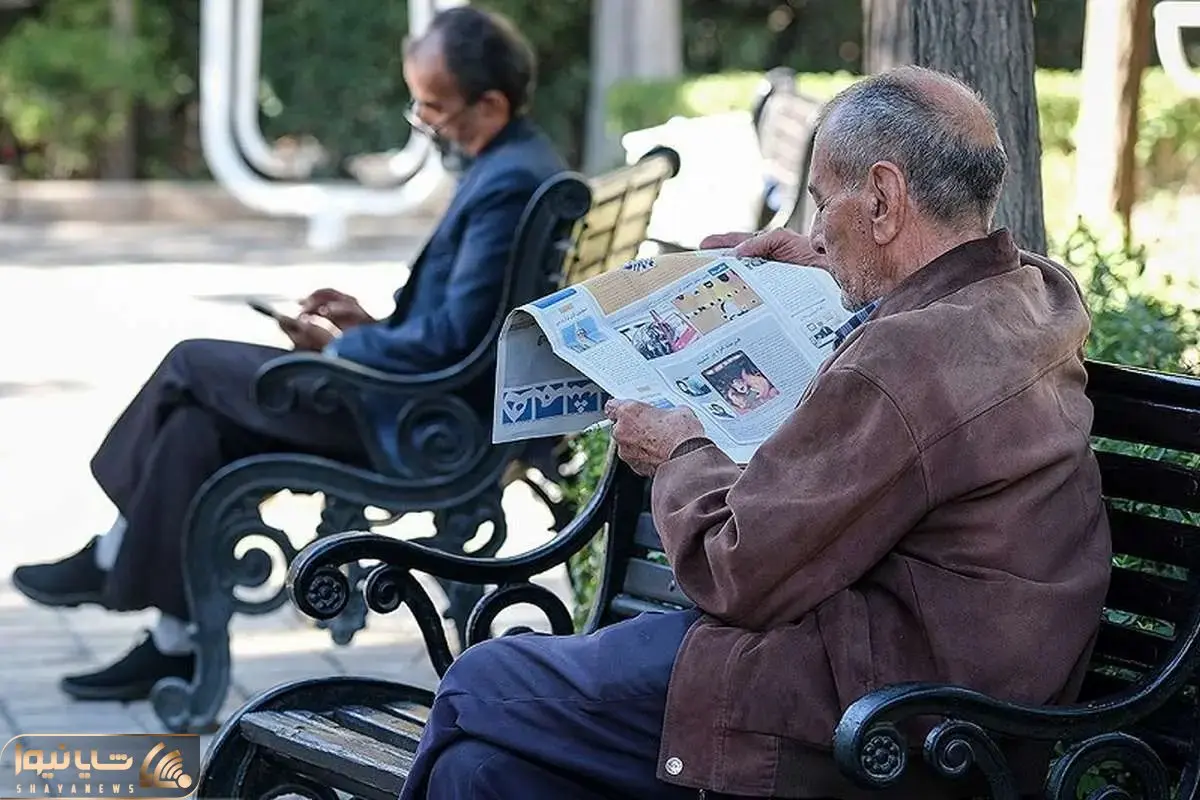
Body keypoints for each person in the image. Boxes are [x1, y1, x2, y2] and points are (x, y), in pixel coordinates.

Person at [393, 66, 1113, 799]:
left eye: (824, 204)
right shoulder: (1031, 292)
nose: (813, 232)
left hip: (876, 716)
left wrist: (678, 452)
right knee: (481, 773)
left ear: (885, 200)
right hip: (948, 688)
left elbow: (733, 569)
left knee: (479, 685)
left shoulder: (907, 362)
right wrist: (826, 268)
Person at [11, 6, 565, 702]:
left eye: (434, 107)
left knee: (190, 363)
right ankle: (173, 646)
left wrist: (346, 346)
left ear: (491, 102)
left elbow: (451, 343)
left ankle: (110, 557)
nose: (425, 124)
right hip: (425, 406)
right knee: (192, 429)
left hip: (417, 424)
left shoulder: (509, 180)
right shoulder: (515, 162)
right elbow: (460, 322)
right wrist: (371, 321)